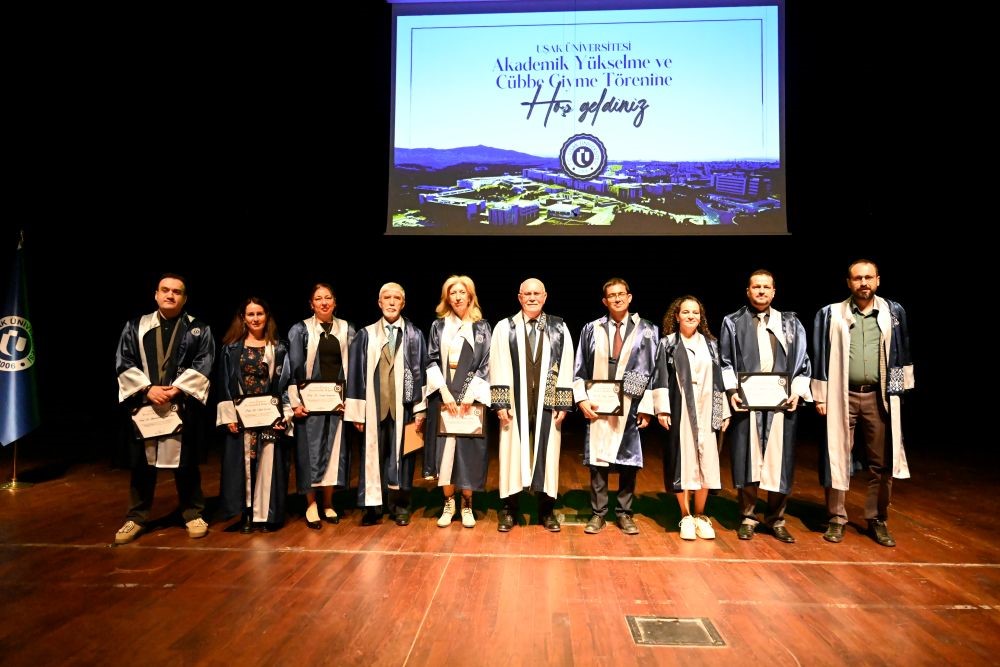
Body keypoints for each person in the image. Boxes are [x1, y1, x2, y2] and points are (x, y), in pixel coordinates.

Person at [812, 259, 914, 547]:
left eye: (869, 277)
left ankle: (877, 518)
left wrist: (898, 393)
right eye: (857, 278)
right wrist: (821, 395)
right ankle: (835, 517)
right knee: (836, 457)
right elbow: (820, 355)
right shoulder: (831, 314)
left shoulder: (893, 313)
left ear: (878, 280)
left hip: (878, 396)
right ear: (849, 282)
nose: (863, 283)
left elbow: (902, 351)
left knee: (881, 462)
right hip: (841, 395)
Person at [114, 273, 215, 545]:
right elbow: (124, 361)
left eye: (177, 292)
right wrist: (148, 389)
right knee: (142, 465)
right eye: (165, 290)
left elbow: (204, 362)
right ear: (156, 294)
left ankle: (193, 513)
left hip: (180, 405)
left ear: (185, 298)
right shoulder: (136, 326)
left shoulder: (199, 329)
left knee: (186, 463)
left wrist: (178, 389)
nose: (170, 295)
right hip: (147, 404)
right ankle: (136, 517)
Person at [719, 270, 811, 543]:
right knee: (749, 458)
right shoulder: (732, 322)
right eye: (756, 287)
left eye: (766, 287)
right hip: (748, 402)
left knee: (778, 461)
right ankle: (748, 516)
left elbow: (803, 362)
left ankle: (776, 518)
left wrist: (797, 392)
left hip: (781, 404)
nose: (761, 291)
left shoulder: (791, 323)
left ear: (774, 291)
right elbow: (725, 361)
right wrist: (733, 391)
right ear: (748, 291)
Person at [573, 278, 659, 535]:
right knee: (598, 461)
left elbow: (655, 372)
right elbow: (579, 369)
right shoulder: (591, 329)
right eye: (612, 295)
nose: (617, 299)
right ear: (604, 301)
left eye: (621, 294)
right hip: (599, 402)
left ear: (630, 297)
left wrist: (647, 406)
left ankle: (624, 513)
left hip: (631, 403)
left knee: (628, 461)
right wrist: (582, 398)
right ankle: (598, 513)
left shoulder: (648, 330)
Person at [490, 278, 574, 532]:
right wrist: (501, 402)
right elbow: (497, 365)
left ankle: (546, 509)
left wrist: (562, 402)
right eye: (527, 293)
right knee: (511, 452)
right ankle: (509, 508)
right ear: (519, 297)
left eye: (537, 293)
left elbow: (567, 364)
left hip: (547, 403)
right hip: (515, 402)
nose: (532, 297)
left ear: (545, 296)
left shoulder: (559, 327)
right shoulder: (505, 327)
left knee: (547, 454)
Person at [346, 282, 428, 526]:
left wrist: (420, 408)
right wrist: (357, 413)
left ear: (403, 303)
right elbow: (356, 375)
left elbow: (422, 372)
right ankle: (373, 506)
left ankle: (400, 504)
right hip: (374, 408)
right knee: (373, 457)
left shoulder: (414, 335)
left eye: (396, 298)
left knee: (404, 456)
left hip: (403, 407)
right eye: (386, 298)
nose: (391, 302)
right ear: (379, 303)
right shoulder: (366, 335)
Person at [652, 296, 730, 540]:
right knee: (682, 460)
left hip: (706, 408)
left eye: (695, 312)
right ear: (676, 316)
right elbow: (660, 377)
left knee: (707, 461)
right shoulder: (668, 344)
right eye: (685, 312)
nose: (690, 316)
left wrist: (722, 411)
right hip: (680, 409)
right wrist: (662, 409)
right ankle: (685, 515)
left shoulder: (711, 345)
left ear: (701, 316)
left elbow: (719, 380)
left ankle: (700, 515)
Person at [216, 297, 292, 533]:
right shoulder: (231, 349)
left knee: (267, 463)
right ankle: (247, 514)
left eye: (260, 313)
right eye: (251, 314)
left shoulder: (279, 348)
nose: (255, 318)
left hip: (269, 416)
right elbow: (224, 384)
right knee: (245, 464)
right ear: (243, 318)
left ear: (267, 316)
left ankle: (266, 515)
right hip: (243, 417)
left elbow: (287, 383)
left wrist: (284, 415)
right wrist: (228, 416)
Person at [423, 275, 492, 529]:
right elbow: (430, 360)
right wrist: (445, 392)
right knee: (445, 453)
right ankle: (449, 501)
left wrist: (469, 395)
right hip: (445, 400)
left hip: (470, 401)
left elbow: (486, 364)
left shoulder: (482, 327)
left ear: (471, 296)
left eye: (462, 292)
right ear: (447, 297)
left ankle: (467, 503)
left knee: (469, 452)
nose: (458, 297)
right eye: (453, 293)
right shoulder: (438, 326)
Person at [287, 284, 355, 530]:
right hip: (309, 404)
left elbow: (354, 367)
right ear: (311, 304)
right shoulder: (301, 330)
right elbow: (293, 369)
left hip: (337, 403)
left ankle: (328, 501)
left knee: (334, 451)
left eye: (328, 298)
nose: (324, 302)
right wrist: (295, 402)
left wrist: (352, 398)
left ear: (335, 302)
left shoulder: (347, 329)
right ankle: (310, 504)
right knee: (310, 452)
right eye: (318, 298)